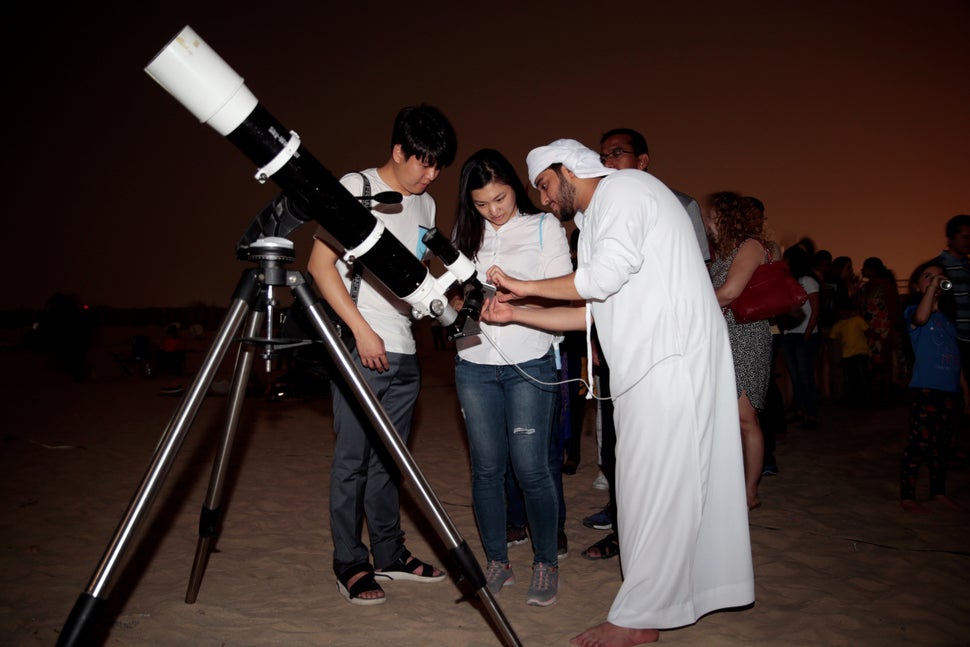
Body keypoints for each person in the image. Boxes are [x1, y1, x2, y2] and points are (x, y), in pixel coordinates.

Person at [482, 139, 754, 646]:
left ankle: (637, 620)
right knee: (646, 488)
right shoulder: (601, 220)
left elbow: (598, 282)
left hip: (670, 362)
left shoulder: (626, 190)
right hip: (649, 367)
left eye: (544, 185)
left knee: (655, 489)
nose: (544, 199)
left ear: (567, 169)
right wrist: (516, 312)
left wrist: (523, 285)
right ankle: (652, 608)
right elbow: (592, 311)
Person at [306, 104, 457, 606]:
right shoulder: (357, 188)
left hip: (405, 348)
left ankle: (389, 554)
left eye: (438, 166)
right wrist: (362, 330)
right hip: (361, 346)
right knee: (352, 459)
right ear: (398, 150)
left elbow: (413, 279)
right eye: (424, 163)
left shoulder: (427, 206)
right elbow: (319, 265)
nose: (430, 175)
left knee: (390, 460)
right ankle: (349, 563)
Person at [581, 127, 712, 561]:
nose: (609, 162)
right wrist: (596, 337)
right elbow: (601, 289)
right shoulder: (598, 210)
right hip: (617, 339)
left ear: (643, 160)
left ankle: (662, 543)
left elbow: (692, 274)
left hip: (665, 345)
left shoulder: (677, 203)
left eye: (617, 153)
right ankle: (623, 522)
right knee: (618, 439)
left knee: (667, 451)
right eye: (602, 156)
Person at [451, 148, 572, 606]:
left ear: (513, 189)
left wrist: (515, 305)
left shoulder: (544, 227)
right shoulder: (464, 235)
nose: (494, 210)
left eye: (499, 198)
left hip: (531, 363)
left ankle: (545, 562)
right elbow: (453, 304)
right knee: (486, 470)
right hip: (474, 366)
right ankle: (497, 562)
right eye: (481, 204)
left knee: (531, 469)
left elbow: (563, 296)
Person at [706, 192, 774, 510]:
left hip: (745, 336)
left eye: (711, 215)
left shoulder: (750, 247)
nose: (706, 221)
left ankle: (749, 492)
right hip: (722, 337)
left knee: (745, 419)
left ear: (726, 218)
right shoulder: (722, 254)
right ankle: (732, 484)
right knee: (724, 418)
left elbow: (731, 292)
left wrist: (691, 304)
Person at [899, 260, 968, 513]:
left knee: (942, 445)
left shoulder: (949, 321)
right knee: (920, 443)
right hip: (925, 389)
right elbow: (921, 316)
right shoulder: (914, 313)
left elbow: (957, 360)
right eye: (927, 277)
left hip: (949, 392)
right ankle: (907, 495)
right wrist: (931, 291)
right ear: (917, 286)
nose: (934, 280)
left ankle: (938, 492)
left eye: (939, 277)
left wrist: (965, 393)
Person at [780, 245, 821, 429]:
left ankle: (811, 415)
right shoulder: (789, 280)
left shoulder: (807, 281)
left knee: (805, 376)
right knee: (795, 376)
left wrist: (808, 332)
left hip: (805, 334)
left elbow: (815, 309)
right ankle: (799, 411)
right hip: (789, 333)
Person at [859, 257, 903, 404]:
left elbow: (894, 309)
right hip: (870, 332)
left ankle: (886, 396)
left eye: (864, 267)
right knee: (874, 365)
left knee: (884, 364)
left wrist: (891, 332)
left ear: (871, 269)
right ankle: (878, 396)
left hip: (883, 331)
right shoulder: (866, 287)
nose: (861, 270)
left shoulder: (884, 286)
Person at [935, 215, 970, 387]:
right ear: (950, 239)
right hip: (953, 339)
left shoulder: (967, 267)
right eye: (965, 237)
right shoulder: (938, 268)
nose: (968, 242)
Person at [828, 301, 871, 405]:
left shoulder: (857, 320)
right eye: (841, 311)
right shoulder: (837, 325)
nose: (844, 312)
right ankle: (853, 398)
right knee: (850, 378)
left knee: (863, 377)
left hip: (860, 353)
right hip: (846, 355)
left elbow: (868, 332)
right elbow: (831, 339)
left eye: (846, 310)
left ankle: (867, 398)